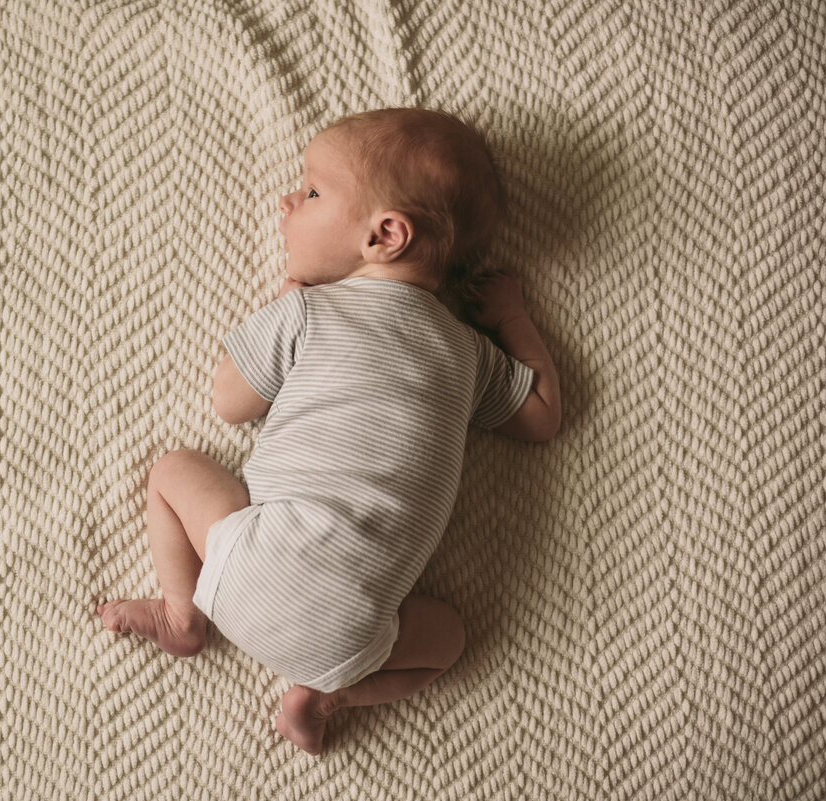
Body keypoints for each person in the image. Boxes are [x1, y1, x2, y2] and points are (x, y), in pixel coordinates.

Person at [97, 108, 562, 755]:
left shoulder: (312, 309)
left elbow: (230, 400)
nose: (289, 200)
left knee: (171, 469)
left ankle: (182, 613)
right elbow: (541, 415)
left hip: (246, 568)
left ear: (386, 235)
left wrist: (281, 303)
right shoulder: (465, 350)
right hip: (352, 636)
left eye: (312, 191)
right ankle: (324, 696)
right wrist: (512, 317)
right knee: (449, 637)